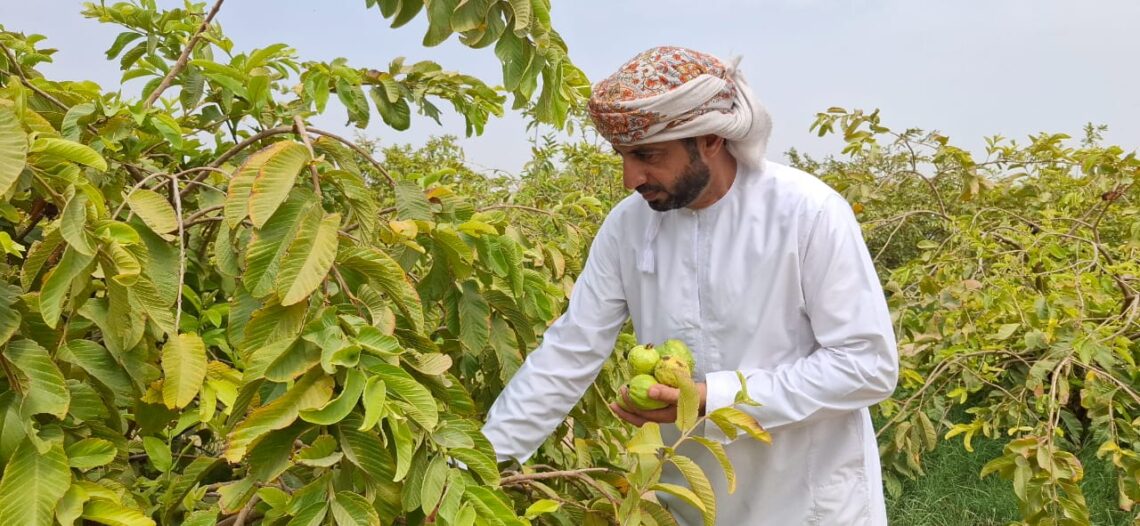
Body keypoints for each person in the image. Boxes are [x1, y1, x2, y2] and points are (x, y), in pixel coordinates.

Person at [480, 45, 899, 525]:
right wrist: (478, 464)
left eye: (647, 155)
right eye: (622, 156)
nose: (629, 177)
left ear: (710, 140)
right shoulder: (627, 227)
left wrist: (712, 398)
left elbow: (867, 365)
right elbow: (570, 349)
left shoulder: (808, 212)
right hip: (692, 500)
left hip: (809, 499)